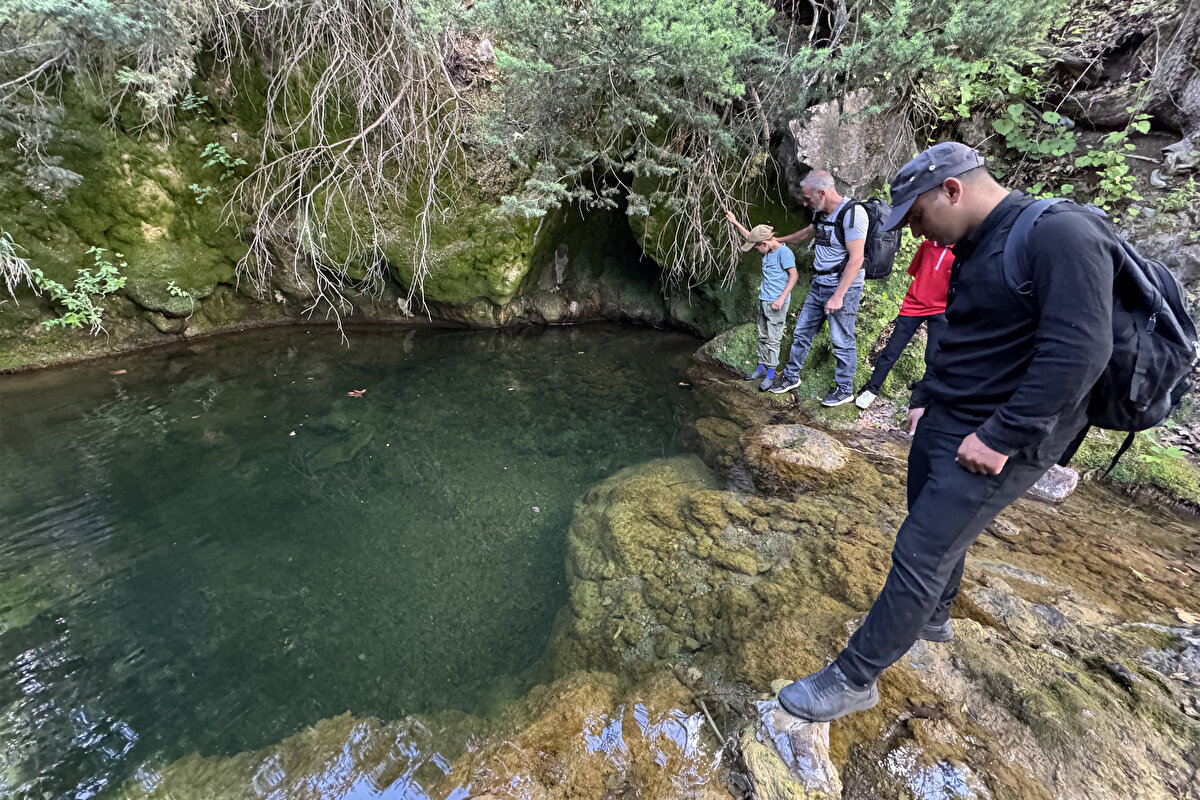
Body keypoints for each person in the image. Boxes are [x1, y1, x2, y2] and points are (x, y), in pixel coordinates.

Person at [777, 142, 1115, 722]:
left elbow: (1080, 352)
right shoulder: (973, 242)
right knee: (924, 512)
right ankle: (934, 615)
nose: (915, 233)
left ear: (952, 191)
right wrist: (923, 396)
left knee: (921, 546)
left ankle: (854, 679)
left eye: (916, 216)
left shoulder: (1063, 235)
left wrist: (1001, 437)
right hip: (949, 412)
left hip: (1010, 429)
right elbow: (958, 332)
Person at [768, 171, 867, 406]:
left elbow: (856, 259)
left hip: (843, 286)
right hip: (819, 283)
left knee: (841, 339)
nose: (805, 203)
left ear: (822, 193)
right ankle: (791, 376)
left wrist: (838, 296)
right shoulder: (821, 213)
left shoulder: (853, 214)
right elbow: (806, 233)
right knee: (802, 332)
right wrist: (779, 241)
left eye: (807, 198)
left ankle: (844, 388)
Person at [855, 239, 953, 409]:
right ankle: (872, 389)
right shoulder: (927, 245)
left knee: (933, 356)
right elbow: (914, 270)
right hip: (914, 305)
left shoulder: (960, 251)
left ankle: (925, 394)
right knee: (892, 349)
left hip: (940, 309)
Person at [724, 216, 800, 390]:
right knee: (762, 335)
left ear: (764, 244)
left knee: (773, 339)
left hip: (777, 303)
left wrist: (781, 298)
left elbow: (794, 275)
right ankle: (760, 367)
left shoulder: (784, 253)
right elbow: (749, 236)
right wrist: (735, 222)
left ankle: (770, 374)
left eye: (756, 247)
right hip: (764, 299)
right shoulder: (766, 246)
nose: (756, 249)